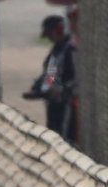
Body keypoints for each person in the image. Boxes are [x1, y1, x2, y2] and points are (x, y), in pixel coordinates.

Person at [24, 14, 79, 145]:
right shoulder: (56, 50)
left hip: (67, 103)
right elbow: (51, 75)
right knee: (53, 135)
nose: (49, 38)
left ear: (60, 30)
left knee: (65, 139)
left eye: (51, 34)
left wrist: (62, 90)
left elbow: (77, 77)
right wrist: (37, 87)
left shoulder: (71, 50)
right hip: (54, 103)